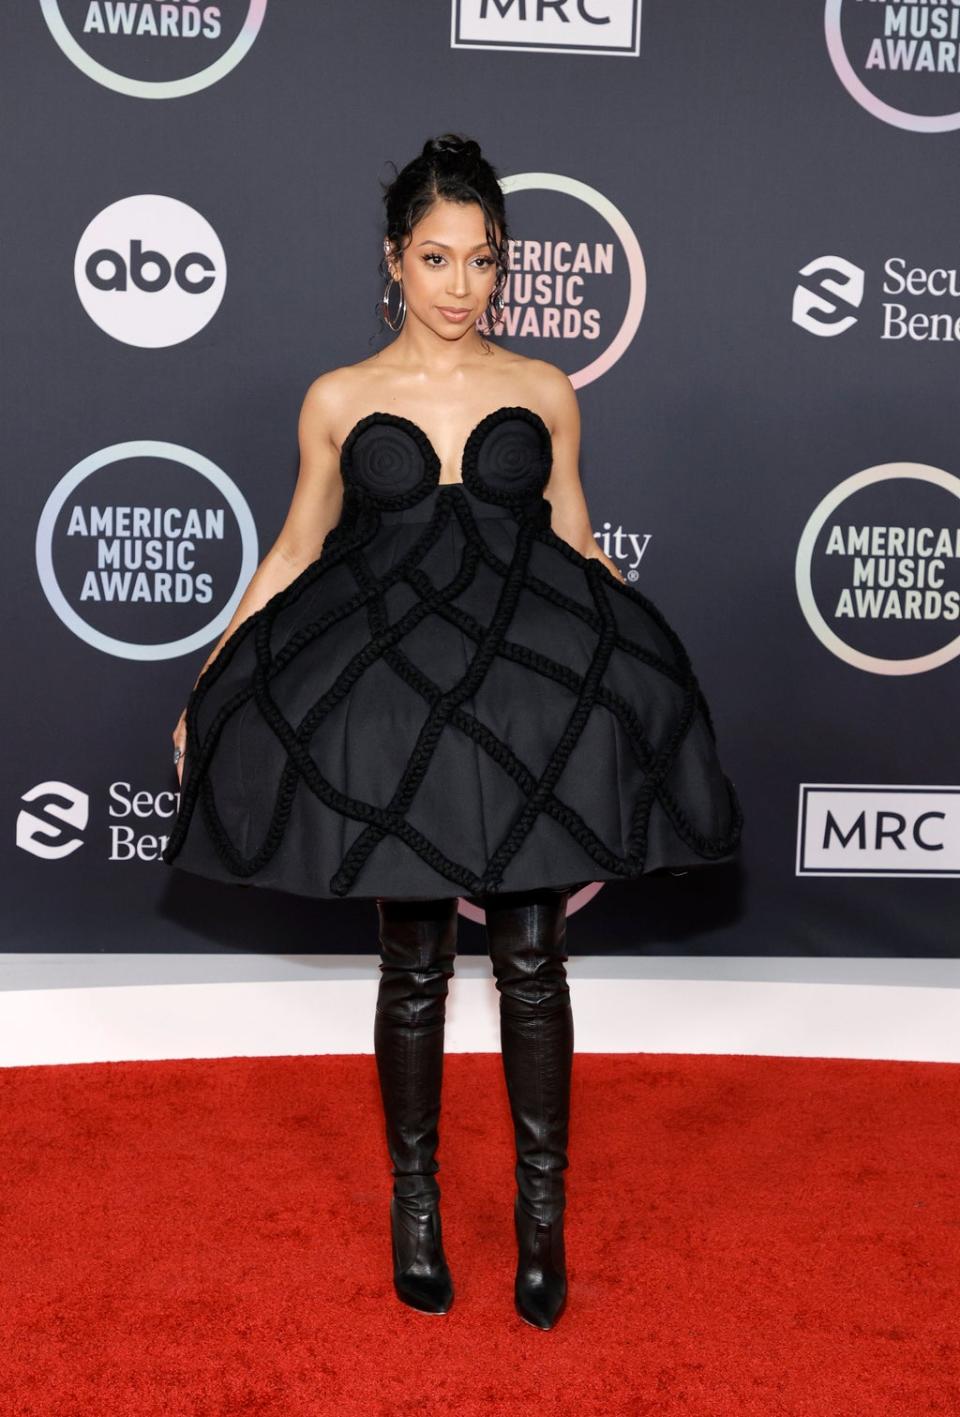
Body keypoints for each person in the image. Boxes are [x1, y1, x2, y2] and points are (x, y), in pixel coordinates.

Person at [162, 133, 743, 1331]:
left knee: (534, 962)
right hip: (393, 706)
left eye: (483, 260)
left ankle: (543, 1226)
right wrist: (214, 671)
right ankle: (414, 1206)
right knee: (413, 964)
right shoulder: (339, 397)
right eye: (437, 257)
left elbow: (575, 539)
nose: (462, 284)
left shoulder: (544, 390)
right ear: (394, 261)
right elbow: (292, 551)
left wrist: (641, 657)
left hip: (525, 697)